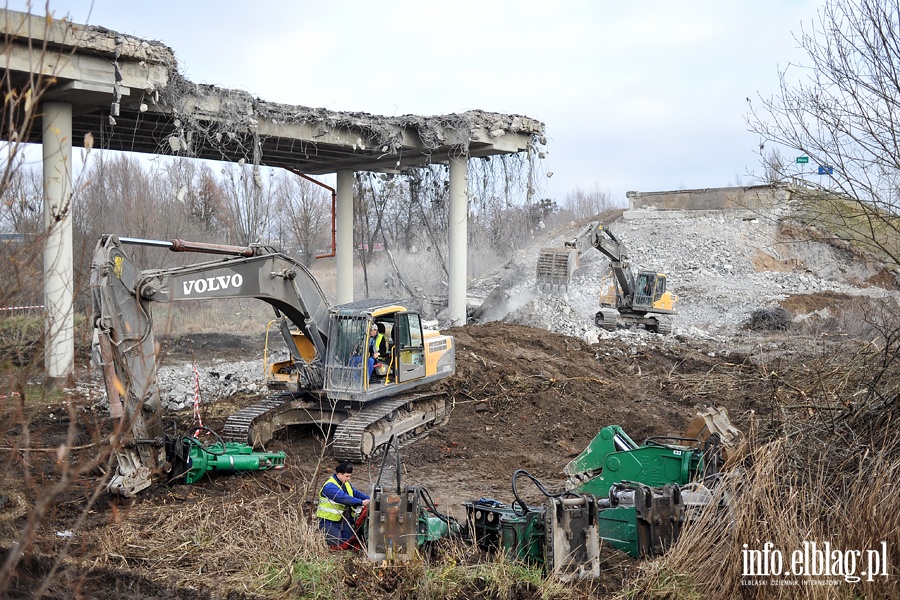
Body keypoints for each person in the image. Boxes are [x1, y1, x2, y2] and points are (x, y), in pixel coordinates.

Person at [316, 462, 370, 547]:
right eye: (347, 476)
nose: (349, 479)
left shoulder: (346, 483)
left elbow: (356, 493)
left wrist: (370, 499)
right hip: (328, 522)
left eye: (350, 476)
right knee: (338, 544)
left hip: (343, 521)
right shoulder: (329, 486)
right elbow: (344, 498)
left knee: (351, 542)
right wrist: (361, 502)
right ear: (339, 474)